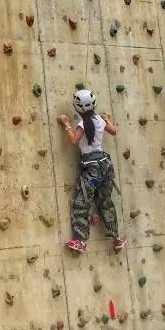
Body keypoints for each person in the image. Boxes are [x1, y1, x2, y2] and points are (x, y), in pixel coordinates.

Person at [58, 89, 126, 253]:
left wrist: (66, 124)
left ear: (77, 108)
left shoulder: (82, 124)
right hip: (106, 166)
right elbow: (114, 131)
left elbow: (74, 140)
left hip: (92, 169)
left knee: (81, 201)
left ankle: (80, 240)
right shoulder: (100, 121)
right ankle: (116, 237)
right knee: (105, 201)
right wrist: (108, 119)